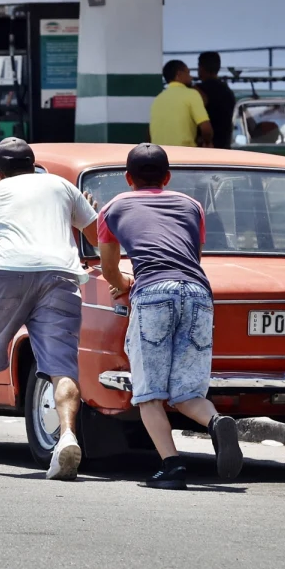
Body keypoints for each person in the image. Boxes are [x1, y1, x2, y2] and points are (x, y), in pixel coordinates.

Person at [97, 143, 243, 489]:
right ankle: (215, 421)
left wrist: (122, 285)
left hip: (152, 293)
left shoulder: (113, 207)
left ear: (127, 178)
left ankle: (171, 466)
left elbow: (108, 266)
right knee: (186, 391)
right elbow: (194, 255)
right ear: (167, 177)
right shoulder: (192, 206)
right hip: (197, 293)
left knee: (149, 393)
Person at [0, 138, 100, 480]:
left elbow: (2, 243)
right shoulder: (62, 186)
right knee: (62, 366)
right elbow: (97, 234)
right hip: (62, 274)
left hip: (11, 272)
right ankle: (65, 437)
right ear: (33, 164)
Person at [150, 60, 213, 148]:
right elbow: (206, 129)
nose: (191, 77)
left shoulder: (158, 99)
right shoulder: (192, 94)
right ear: (179, 74)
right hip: (183, 154)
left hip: (160, 155)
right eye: (188, 73)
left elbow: (149, 134)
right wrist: (207, 142)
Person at [195, 52, 236, 148]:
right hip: (224, 147)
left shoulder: (198, 91)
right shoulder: (228, 91)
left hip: (206, 147)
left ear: (201, 67)